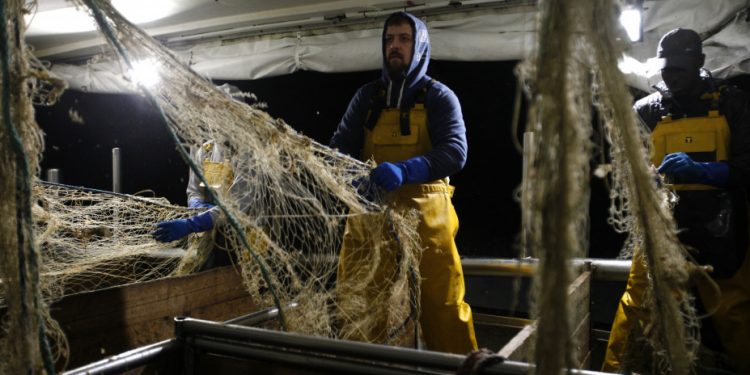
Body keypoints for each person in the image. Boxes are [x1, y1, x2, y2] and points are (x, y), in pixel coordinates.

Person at [330, 11, 478, 354]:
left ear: (420, 46)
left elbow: (455, 152)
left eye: (404, 39)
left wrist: (406, 170)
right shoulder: (366, 98)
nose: (394, 46)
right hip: (370, 215)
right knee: (359, 308)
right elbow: (338, 147)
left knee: (444, 309)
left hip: (427, 220)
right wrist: (354, 179)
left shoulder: (439, 97)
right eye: (389, 39)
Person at [603, 28, 750, 372]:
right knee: (639, 301)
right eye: (668, 69)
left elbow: (748, 165)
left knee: (733, 310)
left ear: (700, 63)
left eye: (681, 69)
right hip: (663, 221)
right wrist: (643, 178)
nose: (672, 76)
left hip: (723, 225)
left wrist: (706, 171)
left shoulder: (732, 102)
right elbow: (629, 166)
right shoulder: (647, 109)